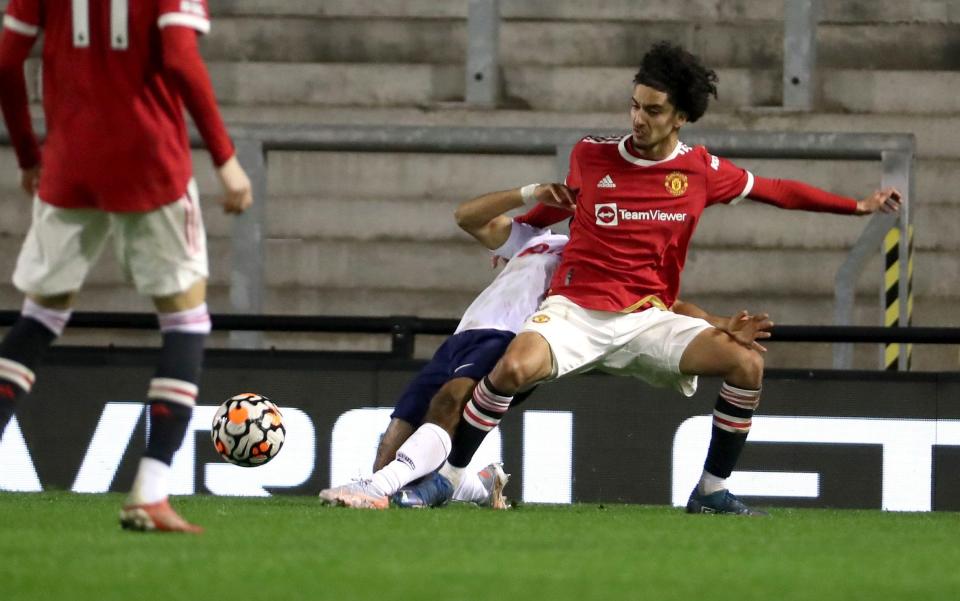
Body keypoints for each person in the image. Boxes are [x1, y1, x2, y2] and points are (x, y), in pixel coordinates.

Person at [324, 41, 901, 514]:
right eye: (634, 105)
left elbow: (776, 191)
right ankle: (448, 477)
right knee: (514, 366)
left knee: (747, 363)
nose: (638, 119)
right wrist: (524, 213)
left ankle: (712, 490)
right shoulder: (590, 157)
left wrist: (856, 206)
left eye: (653, 110)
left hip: (646, 318)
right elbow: (505, 220)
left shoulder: (700, 171)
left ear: (680, 117)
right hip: (574, 310)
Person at [320, 180, 773, 510]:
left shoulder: (612, 269)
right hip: (466, 334)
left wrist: (718, 322)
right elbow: (467, 217)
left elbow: (666, 304)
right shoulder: (535, 240)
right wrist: (530, 193)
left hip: (521, 340)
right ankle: (461, 484)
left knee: (450, 401)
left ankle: (378, 489)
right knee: (401, 424)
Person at [0, 0, 253, 532]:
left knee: (40, 318)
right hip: (150, 164)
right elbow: (182, 58)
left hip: (69, 162)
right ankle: (150, 490)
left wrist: (28, 154)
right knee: (185, 320)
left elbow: (6, 61)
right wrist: (225, 158)